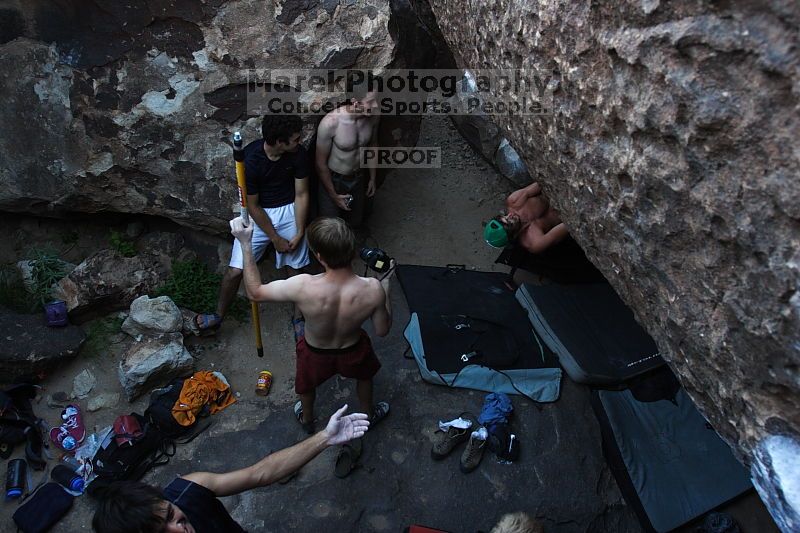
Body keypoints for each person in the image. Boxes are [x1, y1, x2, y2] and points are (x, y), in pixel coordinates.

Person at [230, 215, 393, 436]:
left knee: (307, 385)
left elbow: (255, 293)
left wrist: (246, 244)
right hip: (353, 348)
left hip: (315, 351)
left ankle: (307, 419)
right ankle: (368, 414)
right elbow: (382, 330)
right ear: (353, 251)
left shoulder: (303, 286)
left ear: (319, 256)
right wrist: (385, 285)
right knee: (364, 377)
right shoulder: (373, 288)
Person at [91, 405, 368, 533]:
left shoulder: (188, 489)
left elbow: (260, 474)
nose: (178, 529)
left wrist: (324, 438)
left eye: (170, 516)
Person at [196, 114, 311, 337]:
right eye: (296, 139)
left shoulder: (299, 154)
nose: (300, 141)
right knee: (234, 271)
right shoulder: (250, 160)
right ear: (280, 142)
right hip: (257, 214)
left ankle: (298, 318)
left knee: (296, 268)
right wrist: (275, 238)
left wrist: (299, 230)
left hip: (290, 208)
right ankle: (219, 315)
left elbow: (302, 193)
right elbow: (253, 205)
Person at [315, 82, 380, 228]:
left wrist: (372, 178)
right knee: (330, 227)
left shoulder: (373, 116)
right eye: (370, 102)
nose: (375, 105)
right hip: (334, 179)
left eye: (376, 100)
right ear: (355, 102)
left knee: (355, 222)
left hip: (358, 177)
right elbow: (320, 164)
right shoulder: (331, 123)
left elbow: (373, 145)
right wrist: (333, 194)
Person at [483, 181, 569, 254]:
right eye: (510, 222)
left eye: (505, 216)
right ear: (514, 236)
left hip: (561, 189)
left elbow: (543, 182)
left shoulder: (515, 201)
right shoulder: (534, 242)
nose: (510, 215)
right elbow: (570, 225)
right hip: (569, 210)